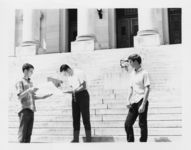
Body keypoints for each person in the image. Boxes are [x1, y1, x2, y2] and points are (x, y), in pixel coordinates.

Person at [15, 63, 52, 143]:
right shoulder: (20, 82)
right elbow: (19, 96)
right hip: (24, 110)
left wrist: (42, 97)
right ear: (25, 71)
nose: (32, 73)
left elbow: (32, 97)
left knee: (28, 134)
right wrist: (29, 90)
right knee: (22, 134)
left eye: (32, 72)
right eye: (31, 71)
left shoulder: (30, 83)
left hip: (31, 110)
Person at [57, 64, 92, 143]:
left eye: (65, 74)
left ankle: (88, 139)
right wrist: (63, 90)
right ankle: (75, 139)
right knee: (75, 118)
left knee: (85, 118)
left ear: (68, 69)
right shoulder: (69, 77)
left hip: (83, 95)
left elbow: (83, 86)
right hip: (75, 96)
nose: (66, 76)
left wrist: (74, 91)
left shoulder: (79, 72)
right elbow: (72, 88)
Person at [124, 54, 151, 142]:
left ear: (135, 62)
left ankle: (143, 143)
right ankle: (130, 142)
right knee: (128, 124)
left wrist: (143, 104)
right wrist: (128, 100)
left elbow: (147, 88)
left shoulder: (144, 73)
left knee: (142, 124)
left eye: (130, 61)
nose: (129, 63)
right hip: (134, 101)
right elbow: (131, 88)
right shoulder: (132, 73)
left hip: (142, 99)